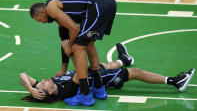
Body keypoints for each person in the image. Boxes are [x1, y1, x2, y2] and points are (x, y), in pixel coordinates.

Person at [19, 43, 195, 105]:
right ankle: (175, 81)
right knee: (136, 73)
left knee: (105, 64)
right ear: (48, 92)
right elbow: (80, 68)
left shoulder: (43, 88)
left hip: (97, 71)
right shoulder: (65, 90)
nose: (42, 80)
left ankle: (123, 59)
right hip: (103, 79)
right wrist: (74, 49)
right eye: (41, 84)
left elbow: (22, 74)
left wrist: (31, 88)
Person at [29, 0, 117, 105]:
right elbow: (63, 32)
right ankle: (99, 87)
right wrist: (63, 69)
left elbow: (74, 29)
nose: (43, 22)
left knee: (77, 47)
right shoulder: (55, 8)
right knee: (89, 43)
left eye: (40, 20)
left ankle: (85, 94)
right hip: (107, 2)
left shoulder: (51, 8)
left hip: (97, 5)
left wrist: (70, 46)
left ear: (43, 12)